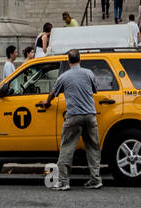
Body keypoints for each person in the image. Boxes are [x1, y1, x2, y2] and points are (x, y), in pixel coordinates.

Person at [40, 48, 104, 190]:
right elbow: (95, 90)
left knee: (67, 148)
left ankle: (63, 181)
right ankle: (95, 179)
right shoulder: (89, 74)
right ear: (80, 60)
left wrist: (47, 102)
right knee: (93, 148)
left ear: (68, 61)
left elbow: (53, 93)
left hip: (74, 116)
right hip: (90, 116)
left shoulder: (64, 77)